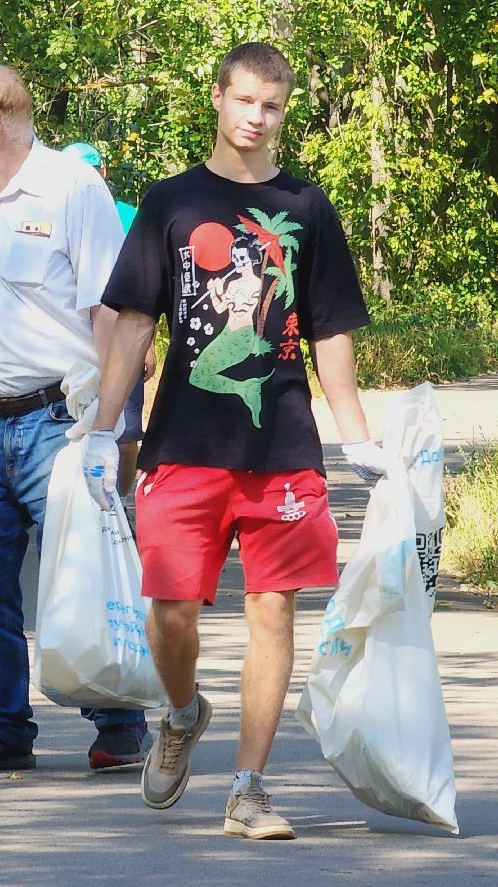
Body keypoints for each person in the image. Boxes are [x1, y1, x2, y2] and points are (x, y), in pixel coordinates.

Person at [83, 42, 387, 840]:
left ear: (285, 110)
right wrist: (100, 426)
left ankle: (249, 789)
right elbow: (135, 323)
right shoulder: (169, 202)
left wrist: (355, 437)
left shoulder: (308, 206)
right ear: (217, 96)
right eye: (245, 100)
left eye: (273, 106)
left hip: (282, 449)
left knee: (274, 613)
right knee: (171, 614)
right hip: (183, 441)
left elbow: (330, 332)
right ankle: (182, 715)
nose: (257, 118)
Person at [0, 63, 148, 774]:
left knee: (81, 571)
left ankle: (118, 720)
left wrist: (108, 427)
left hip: (58, 420)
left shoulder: (72, 188)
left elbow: (107, 312)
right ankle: (1, 728)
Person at [63, 140, 155, 499]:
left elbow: (149, 287)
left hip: (122, 340)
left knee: (128, 435)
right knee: (73, 430)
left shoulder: (131, 216)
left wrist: (147, 345)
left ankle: (117, 504)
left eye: (92, 170)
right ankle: (79, 505)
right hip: (72, 344)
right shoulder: (54, 213)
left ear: (103, 172)